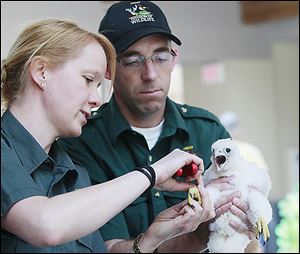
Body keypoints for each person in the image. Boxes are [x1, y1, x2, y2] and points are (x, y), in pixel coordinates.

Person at [1, 19, 216, 253]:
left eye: (98, 85)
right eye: (88, 80)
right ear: (41, 72)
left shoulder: (74, 175)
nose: (96, 99)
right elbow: (46, 225)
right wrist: (152, 173)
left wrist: (150, 239)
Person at [60, 1, 258, 252]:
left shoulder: (207, 131)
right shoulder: (81, 141)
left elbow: (243, 233)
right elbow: (110, 248)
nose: (151, 73)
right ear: (107, 68)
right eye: (133, 60)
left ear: (175, 58)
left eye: (161, 56)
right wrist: (194, 238)